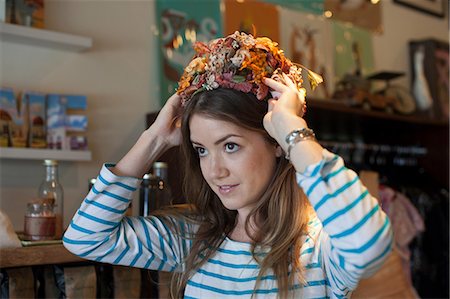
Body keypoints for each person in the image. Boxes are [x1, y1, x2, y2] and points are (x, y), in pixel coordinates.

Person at [63, 31, 393, 298]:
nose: (214, 171)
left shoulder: (321, 249)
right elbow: (85, 238)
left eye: (230, 146)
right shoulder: (193, 239)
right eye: (201, 150)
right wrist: (155, 139)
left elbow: (370, 243)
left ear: (276, 143)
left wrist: (292, 129)